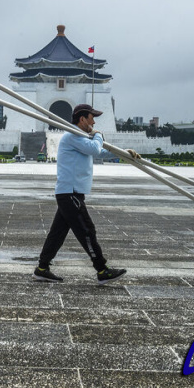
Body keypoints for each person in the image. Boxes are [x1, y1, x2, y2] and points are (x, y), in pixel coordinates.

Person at [33, 104, 140, 285]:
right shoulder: (72, 135)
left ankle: (42, 269)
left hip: (70, 193)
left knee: (57, 233)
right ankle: (102, 270)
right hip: (70, 193)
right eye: (92, 117)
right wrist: (98, 135)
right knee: (87, 231)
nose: (94, 121)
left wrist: (124, 153)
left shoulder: (80, 138)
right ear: (82, 119)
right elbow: (95, 149)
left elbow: (100, 152)